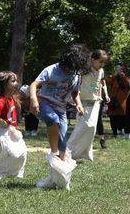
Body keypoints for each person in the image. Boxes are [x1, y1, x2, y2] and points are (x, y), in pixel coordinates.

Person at [30, 44, 90, 190]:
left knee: (63, 150)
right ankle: (54, 150)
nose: (69, 70)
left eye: (73, 68)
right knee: (53, 120)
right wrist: (33, 99)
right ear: (65, 61)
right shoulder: (51, 70)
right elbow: (34, 84)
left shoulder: (76, 75)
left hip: (61, 108)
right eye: (68, 67)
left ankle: (55, 181)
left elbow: (75, 92)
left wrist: (79, 104)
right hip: (45, 103)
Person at [66, 49, 108, 161]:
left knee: (92, 129)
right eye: (100, 62)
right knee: (82, 127)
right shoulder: (84, 70)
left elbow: (99, 83)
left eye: (104, 62)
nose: (102, 64)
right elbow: (75, 84)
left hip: (95, 103)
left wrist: (99, 96)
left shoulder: (101, 71)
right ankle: (67, 150)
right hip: (83, 102)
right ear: (92, 60)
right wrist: (75, 100)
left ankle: (83, 152)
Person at [0, 71, 27, 180]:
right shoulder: (2, 99)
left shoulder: (11, 98)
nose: (16, 83)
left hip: (11, 130)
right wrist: (1, 121)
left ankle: (16, 172)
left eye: (16, 81)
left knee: (22, 151)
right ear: (5, 84)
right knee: (8, 152)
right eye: (13, 81)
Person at [107, 65, 130, 137]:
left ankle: (120, 131)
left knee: (121, 118)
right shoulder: (114, 79)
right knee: (112, 117)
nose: (119, 72)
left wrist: (124, 77)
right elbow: (108, 82)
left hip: (122, 102)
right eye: (118, 70)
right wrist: (114, 75)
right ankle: (114, 133)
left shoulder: (126, 79)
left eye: (121, 71)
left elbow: (129, 85)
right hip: (113, 101)